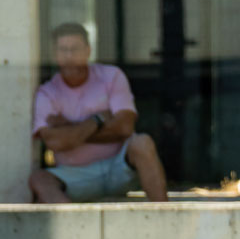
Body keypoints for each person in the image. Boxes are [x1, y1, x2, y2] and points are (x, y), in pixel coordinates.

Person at [29, 22, 168, 203]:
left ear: (88, 51)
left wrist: (69, 129)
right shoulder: (47, 93)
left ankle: (164, 214)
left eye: (75, 49)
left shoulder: (111, 76)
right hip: (75, 176)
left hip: (119, 168)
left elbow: (125, 128)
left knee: (142, 143)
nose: (69, 56)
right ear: (54, 54)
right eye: (63, 50)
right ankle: (72, 221)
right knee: (39, 179)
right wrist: (97, 120)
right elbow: (54, 142)